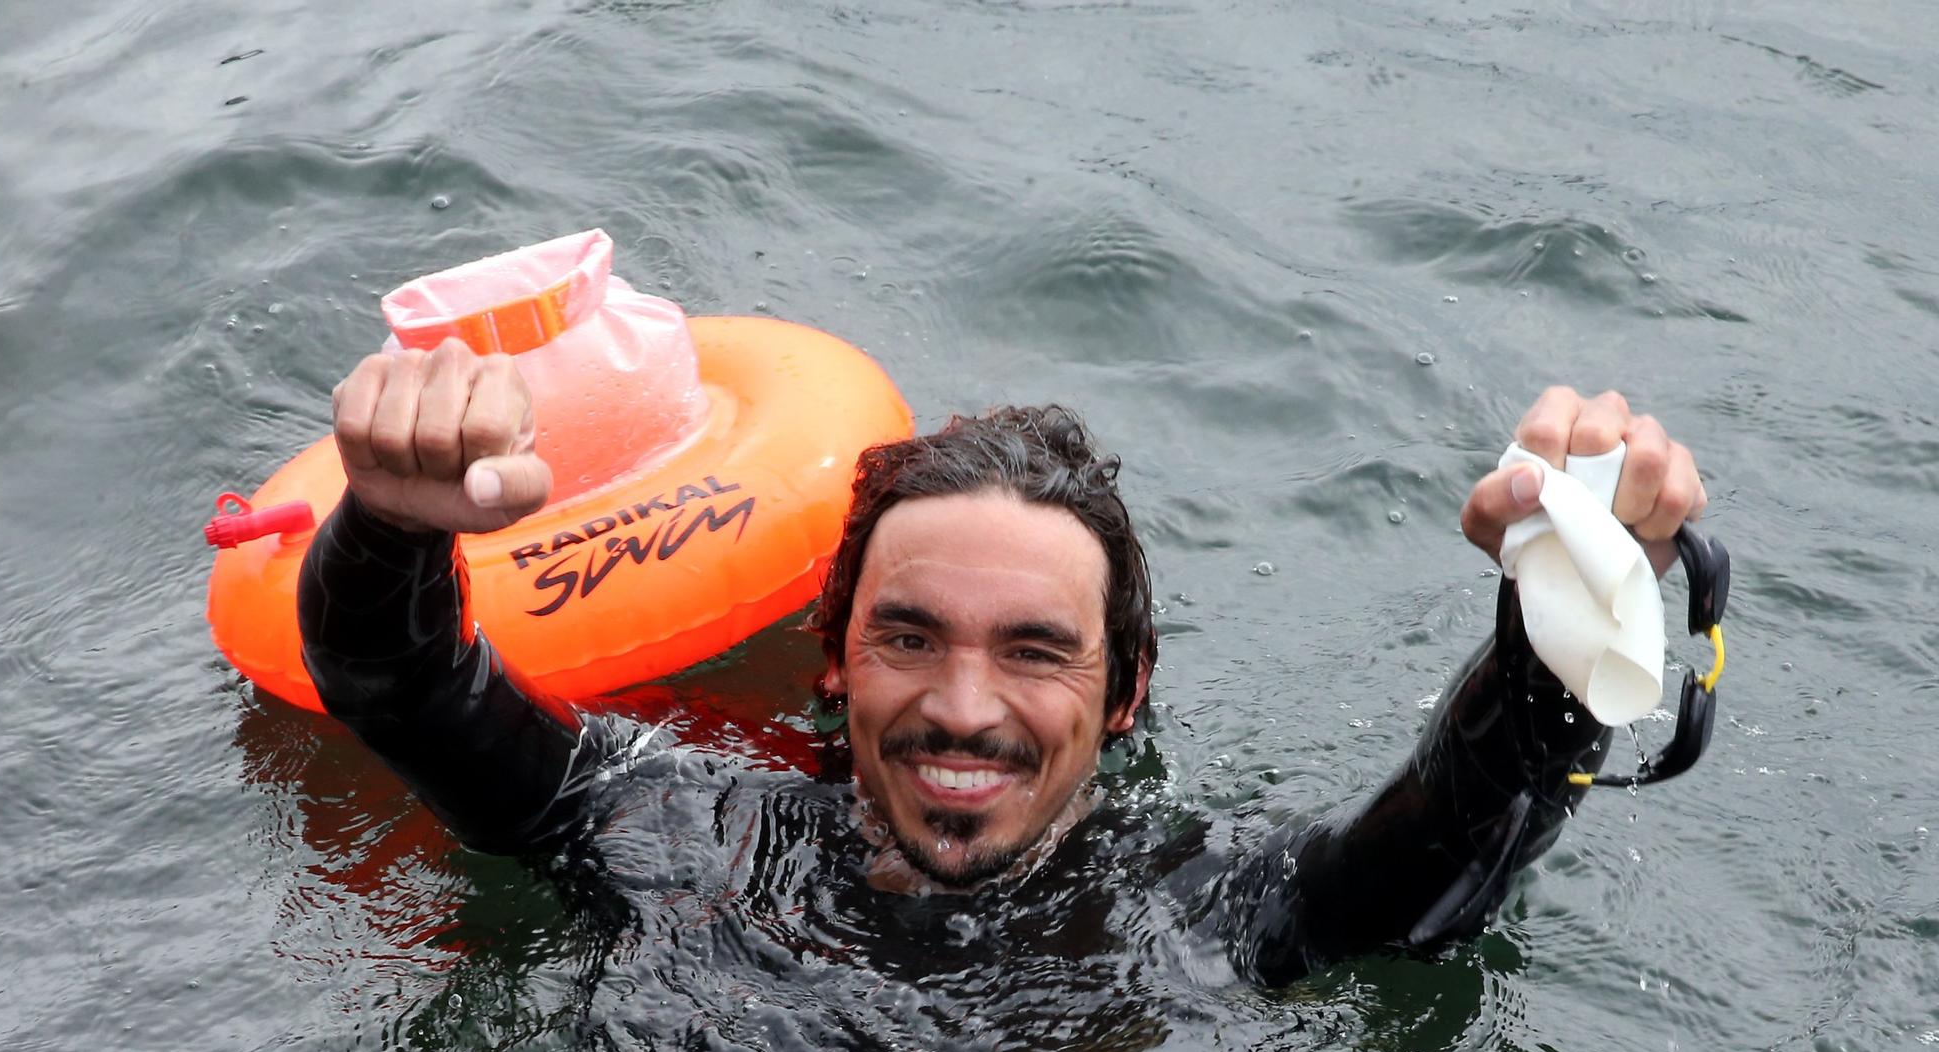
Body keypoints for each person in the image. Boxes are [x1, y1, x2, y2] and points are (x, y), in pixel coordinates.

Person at [298, 339, 1706, 987]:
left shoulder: (1213, 915)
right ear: (834, 661)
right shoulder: (676, 836)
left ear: (1125, 688)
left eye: (1036, 652)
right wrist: (390, 522)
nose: (962, 705)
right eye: (908, 637)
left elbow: (1443, 855)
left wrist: (1560, 620)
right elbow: (404, 690)